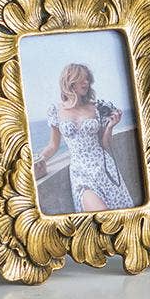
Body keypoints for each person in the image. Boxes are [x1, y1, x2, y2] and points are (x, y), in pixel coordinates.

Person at [35, 63, 135, 211]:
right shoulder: (55, 110)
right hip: (81, 173)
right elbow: (53, 145)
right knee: (100, 211)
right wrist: (38, 160)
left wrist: (110, 127)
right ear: (70, 81)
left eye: (88, 79)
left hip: (104, 168)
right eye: (82, 79)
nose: (86, 82)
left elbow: (105, 145)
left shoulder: (96, 107)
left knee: (115, 217)